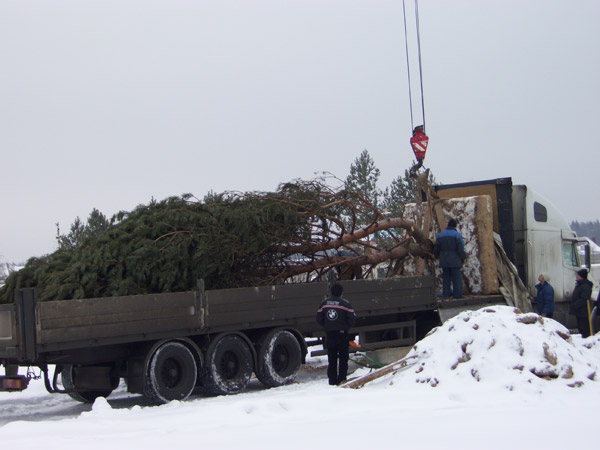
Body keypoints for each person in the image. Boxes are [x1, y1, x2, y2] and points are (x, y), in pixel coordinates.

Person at [316, 283, 356, 385]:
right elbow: (352, 320)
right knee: (343, 359)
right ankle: (342, 379)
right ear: (342, 293)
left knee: (332, 359)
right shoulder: (345, 304)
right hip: (342, 335)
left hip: (330, 335)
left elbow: (319, 318)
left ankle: (332, 381)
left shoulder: (324, 303)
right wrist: (345, 327)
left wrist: (327, 326)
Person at [434, 218, 466, 299]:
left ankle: (446, 293)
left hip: (444, 260)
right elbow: (460, 249)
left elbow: (436, 248)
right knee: (456, 277)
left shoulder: (440, 235)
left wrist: (435, 256)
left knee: (446, 277)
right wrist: (463, 258)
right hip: (455, 260)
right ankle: (457, 294)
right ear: (455, 226)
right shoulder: (457, 235)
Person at [569, 268, 594, 337]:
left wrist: (575, 305)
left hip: (583, 312)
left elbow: (584, 299)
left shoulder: (585, 286)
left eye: (578, 275)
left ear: (582, 276)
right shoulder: (580, 285)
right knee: (580, 328)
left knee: (584, 328)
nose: (576, 276)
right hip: (579, 311)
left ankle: (586, 339)